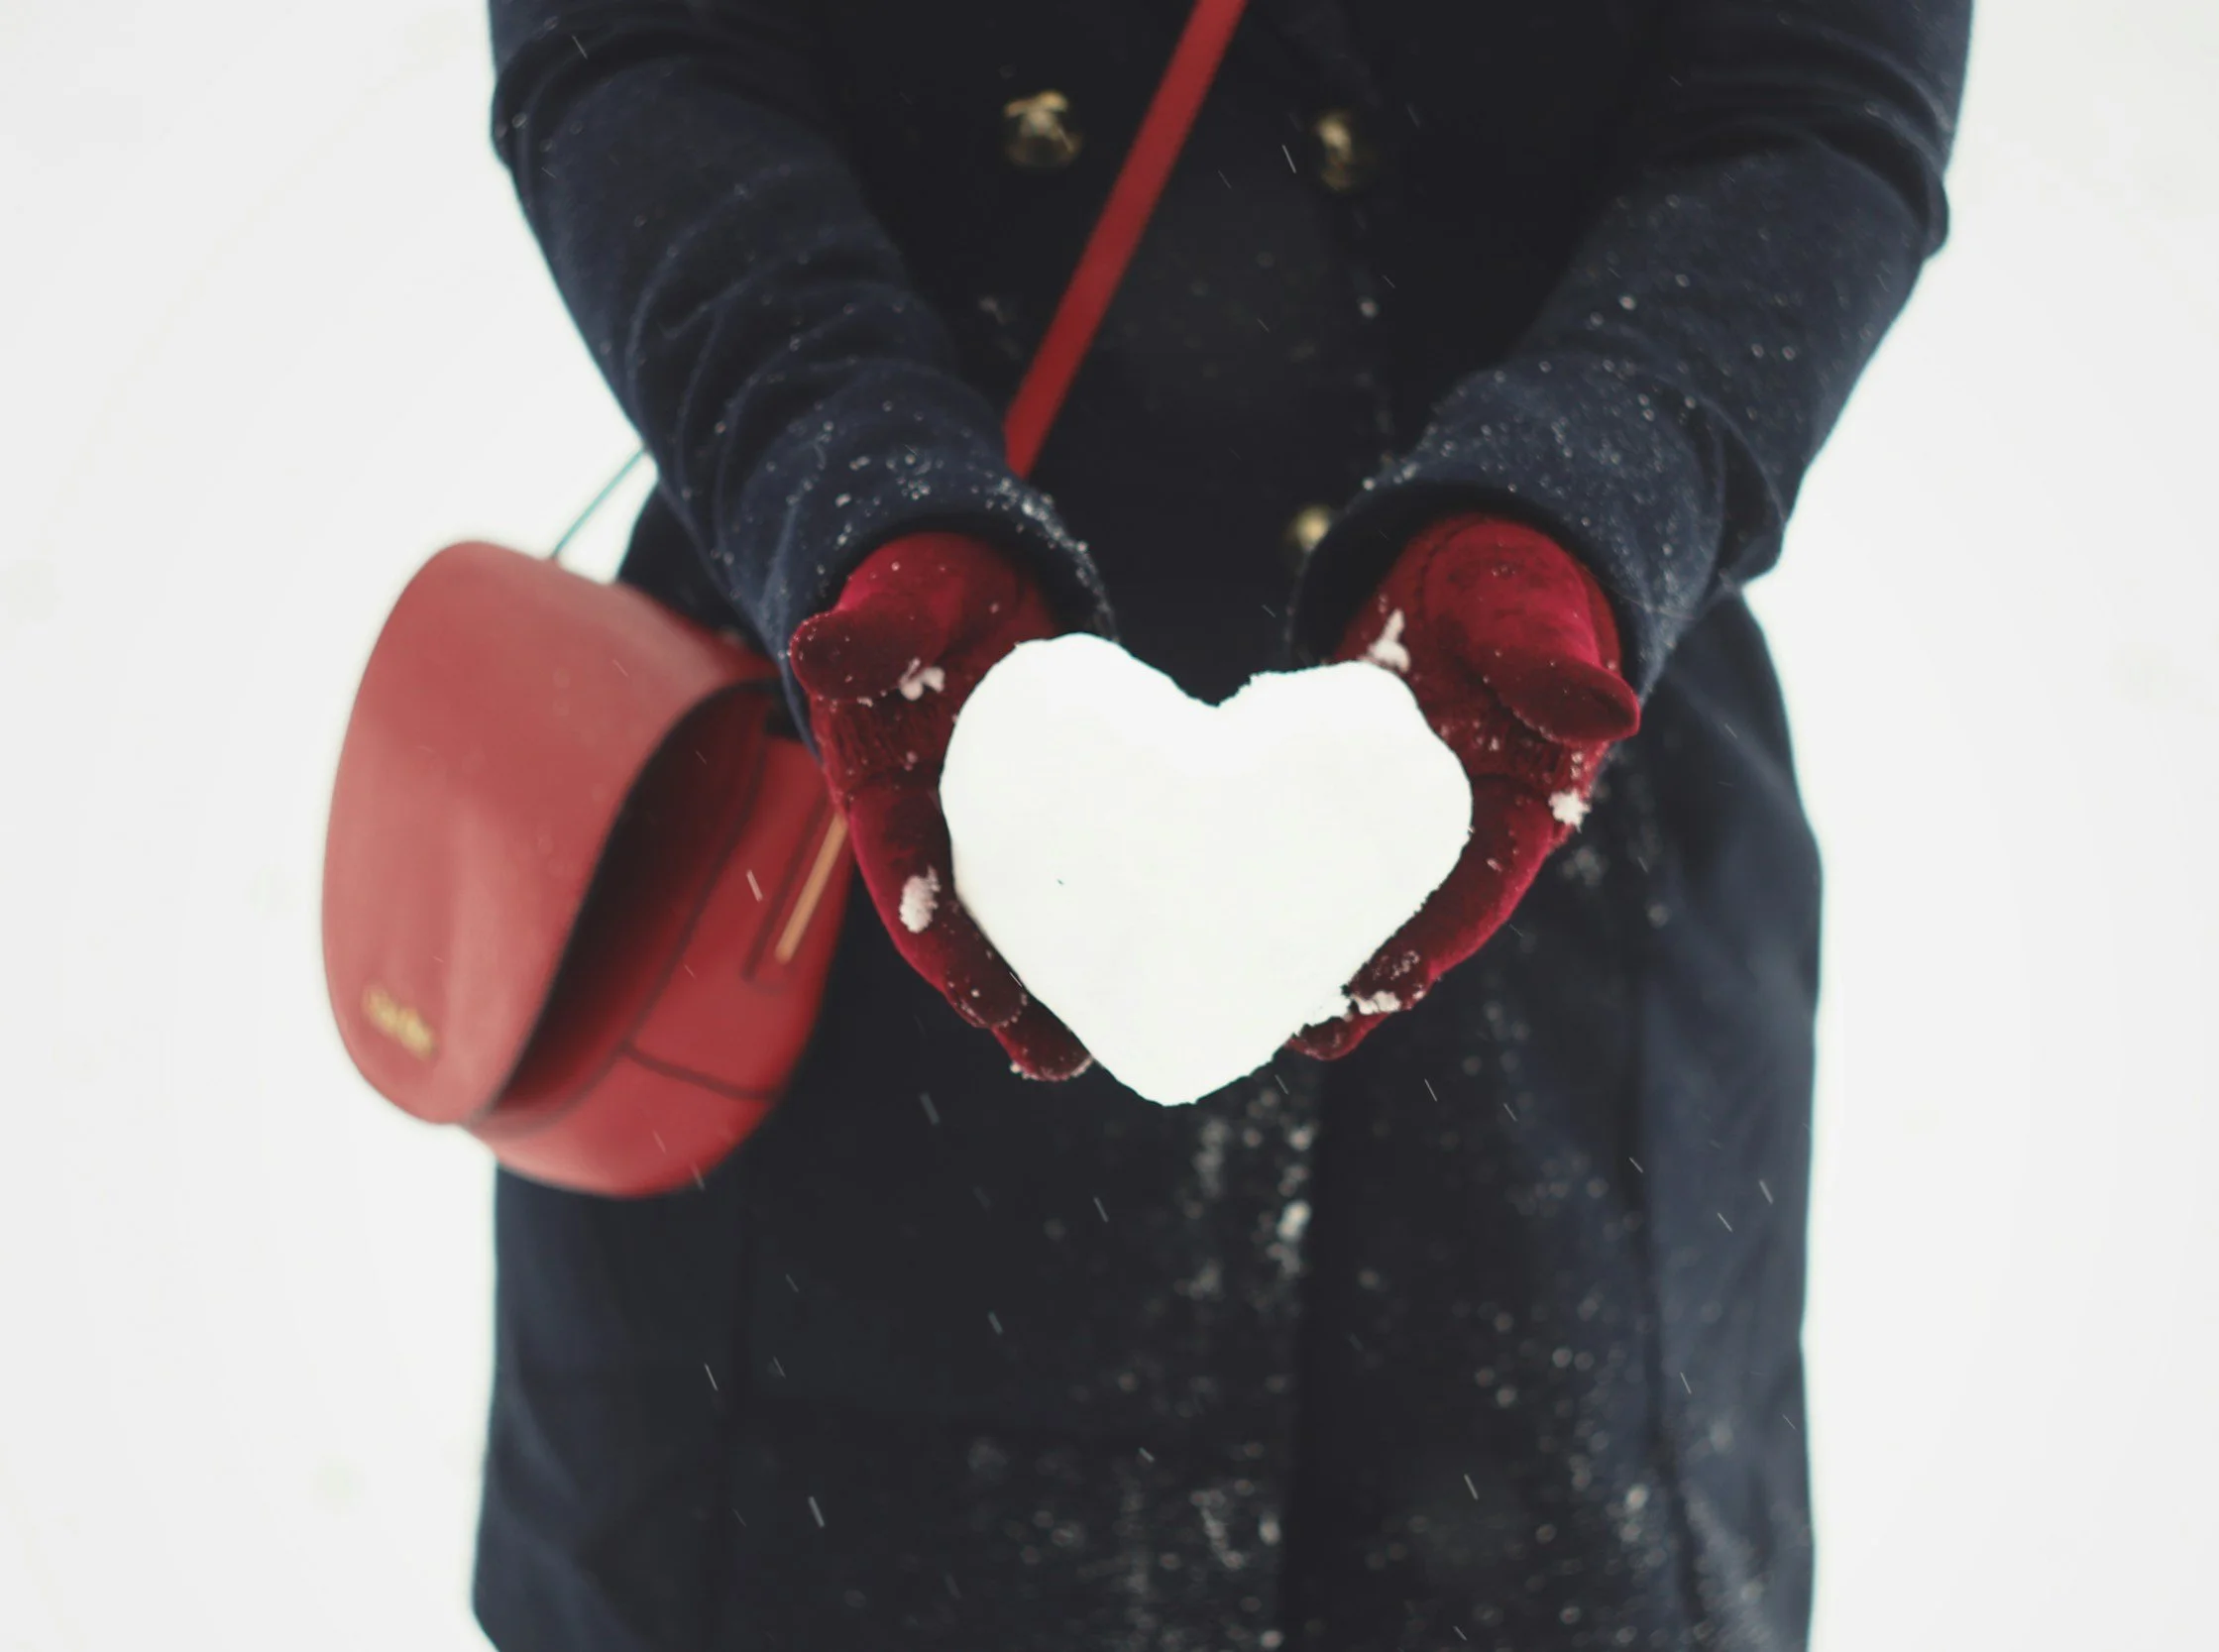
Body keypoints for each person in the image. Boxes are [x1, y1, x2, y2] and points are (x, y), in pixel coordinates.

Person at [474, 1, 1967, 1647]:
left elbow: (1810, 101)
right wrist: (845, 484)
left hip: (1546, 850)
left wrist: (1583, 509)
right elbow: (638, 45)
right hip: (849, 792)